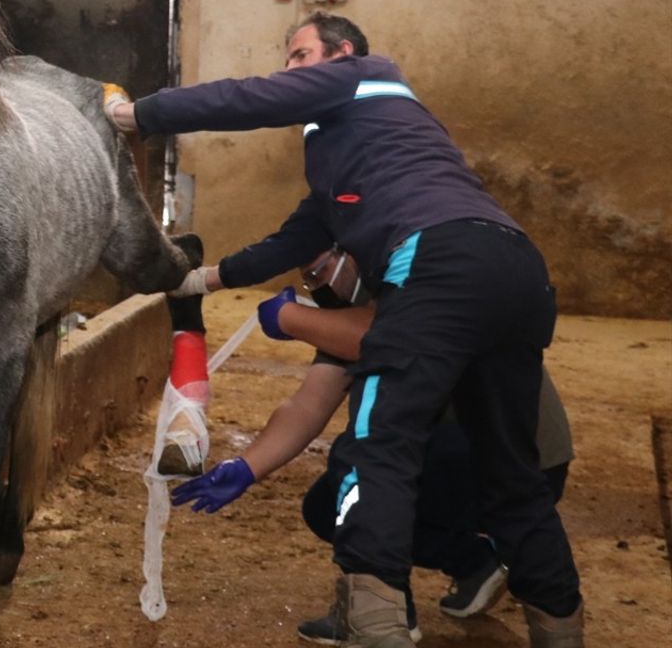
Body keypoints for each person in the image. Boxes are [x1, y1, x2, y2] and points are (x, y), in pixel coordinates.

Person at [106, 12, 583, 647]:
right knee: (510, 472)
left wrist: (138, 115)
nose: (288, 70)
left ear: (344, 53)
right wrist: (197, 281)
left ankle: (376, 627)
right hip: (516, 271)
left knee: (378, 450)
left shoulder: (367, 76)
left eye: (300, 56)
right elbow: (292, 241)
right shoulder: (356, 160)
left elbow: (249, 98)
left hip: (437, 261)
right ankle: (560, 627)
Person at [215, 248, 575, 645]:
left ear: (352, 256)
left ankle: (386, 612)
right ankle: (472, 560)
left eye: (321, 271)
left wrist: (292, 319)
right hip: (485, 462)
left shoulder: (411, 292)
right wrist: (246, 467)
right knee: (324, 504)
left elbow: (386, 339)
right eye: (309, 280)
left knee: (365, 460)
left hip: (517, 466)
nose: (318, 286)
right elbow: (306, 405)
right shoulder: (358, 315)